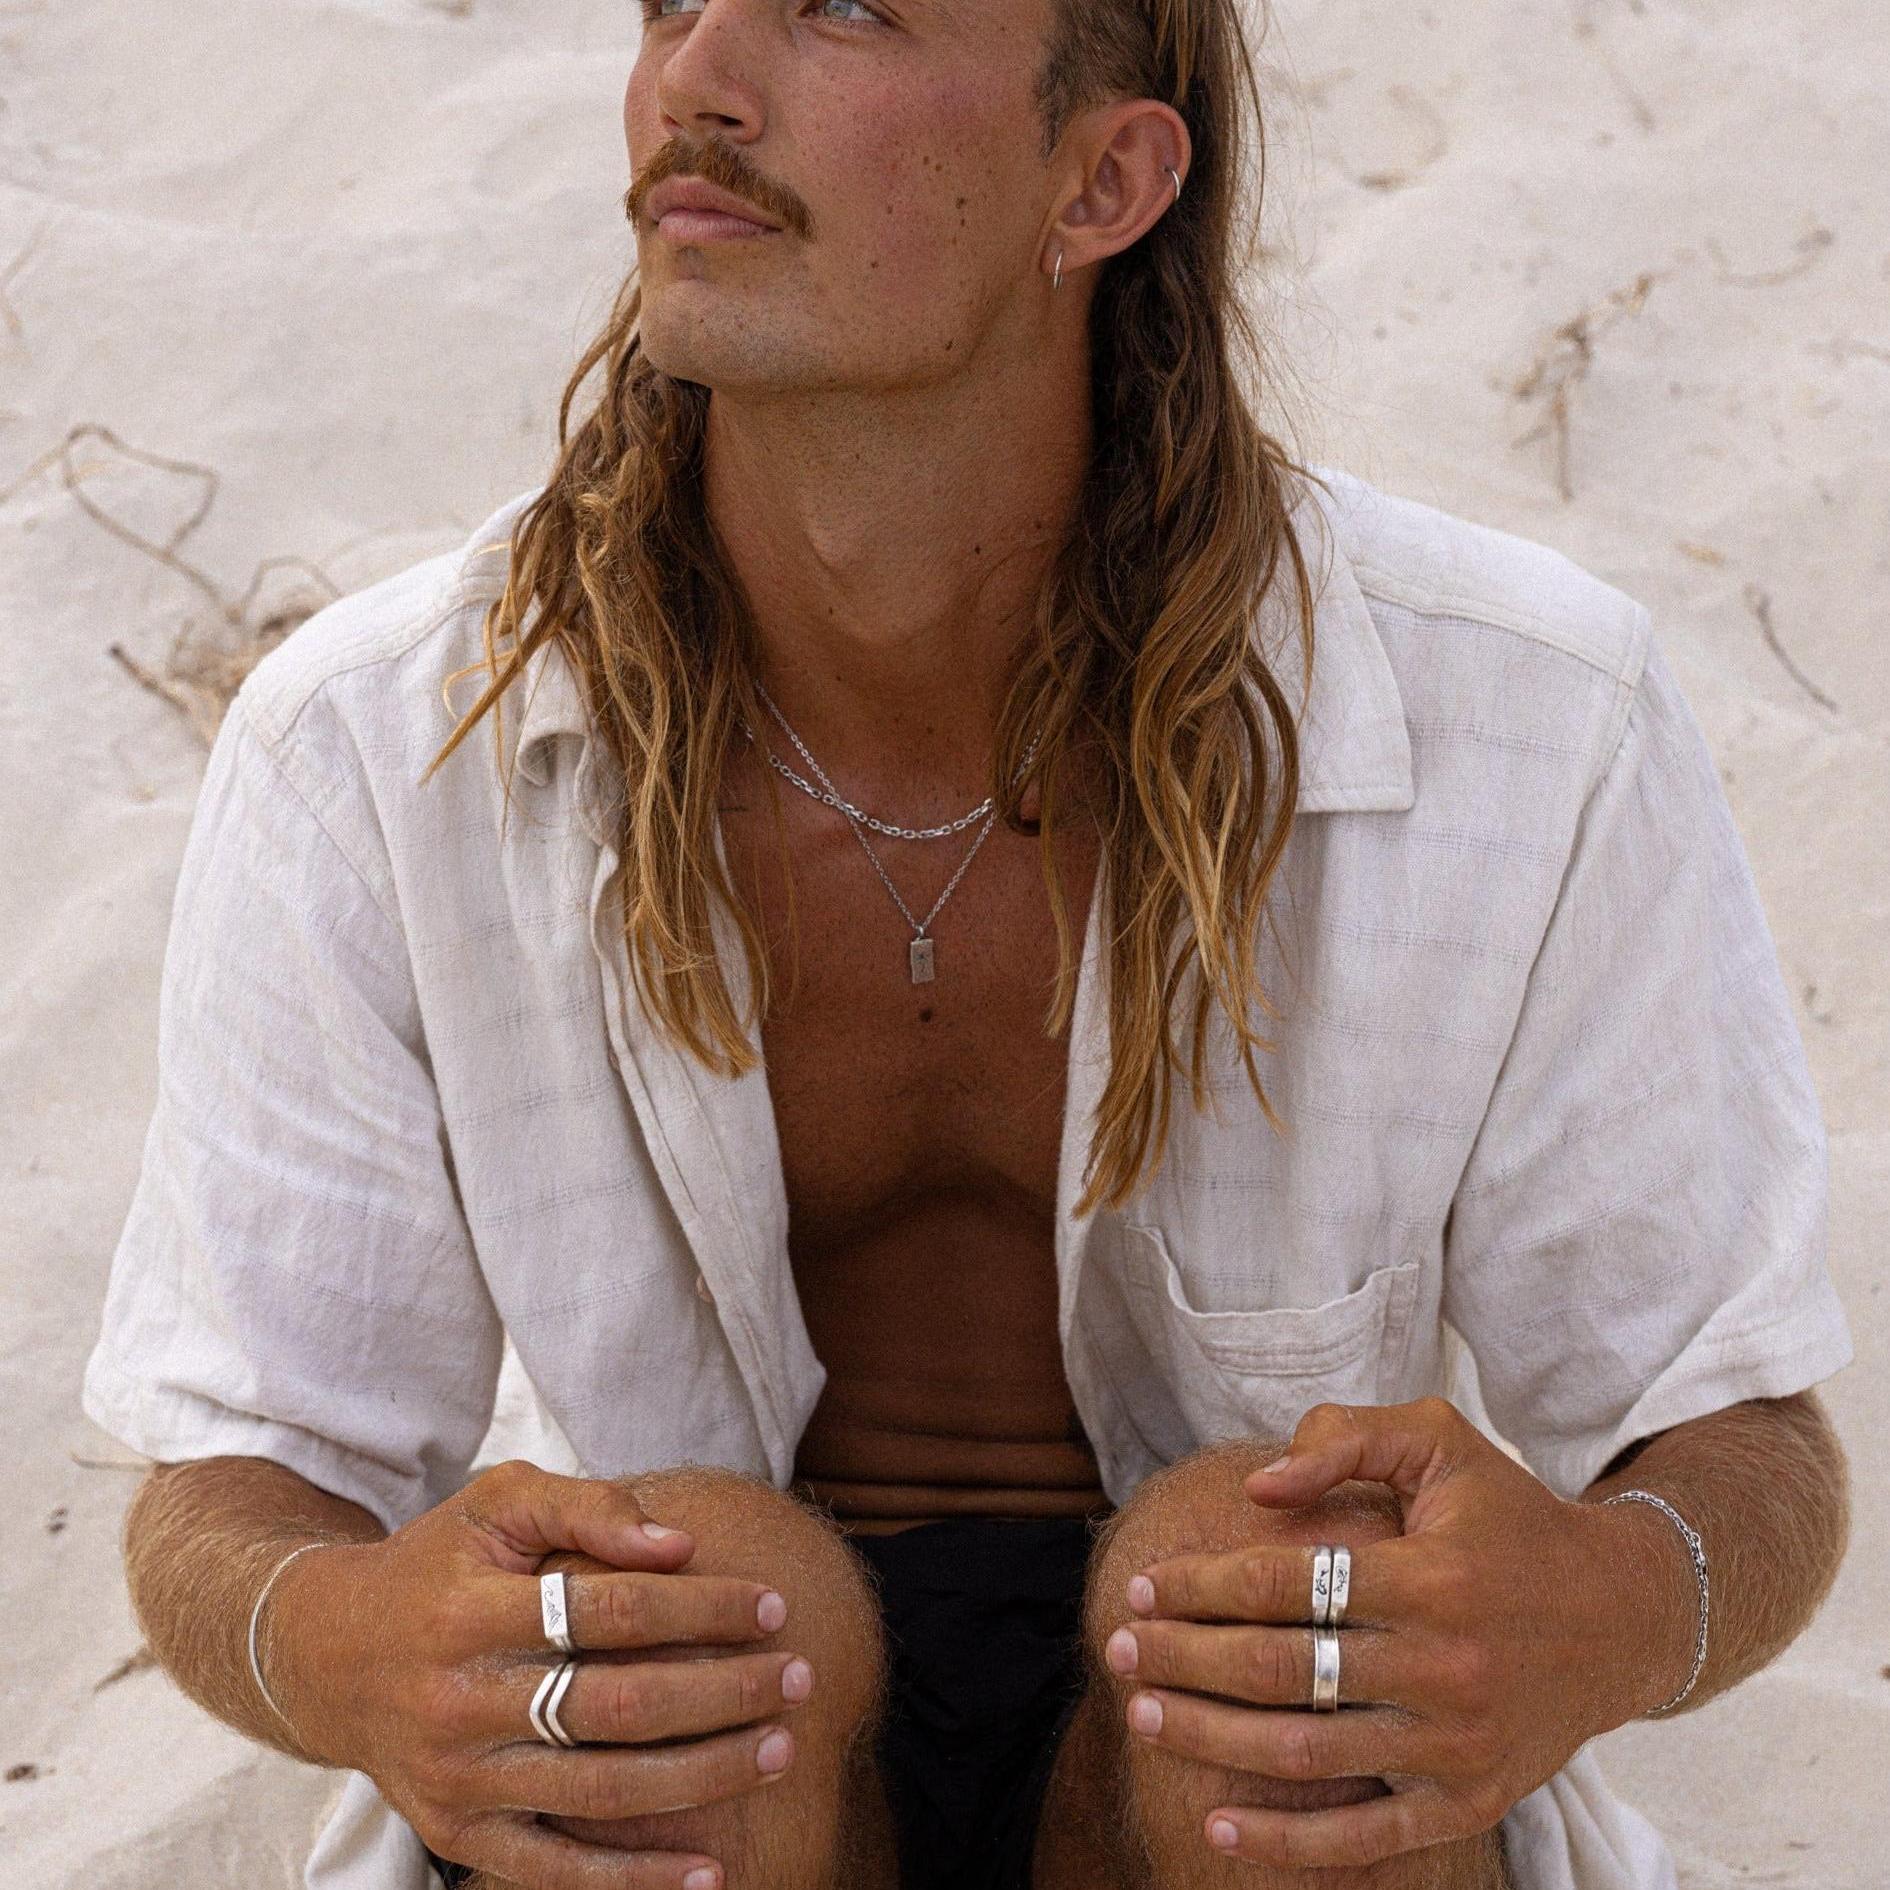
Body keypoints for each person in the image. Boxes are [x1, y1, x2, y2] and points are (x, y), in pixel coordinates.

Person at [80, 1, 1854, 1887]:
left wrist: (1600, 1602)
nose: (696, 76)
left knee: (1267, 1618)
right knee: (703, 1602)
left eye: (839, 7)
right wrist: (339, 1645)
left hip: (1228, 1755)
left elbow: (1734, 1433)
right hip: (709, 1755)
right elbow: (236, 1470)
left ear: (1101, 178)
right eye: (673, 1)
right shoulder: (374, 736)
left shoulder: (1524, 711)